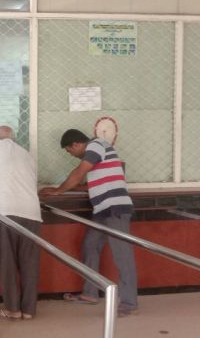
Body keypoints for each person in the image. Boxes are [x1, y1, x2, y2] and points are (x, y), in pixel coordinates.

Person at [39, 129, 139, 317]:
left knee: (122, 256)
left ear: (76, 144)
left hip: (115, 209)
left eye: (69, 150)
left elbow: (79, 172)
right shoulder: (97, 152)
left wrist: (58, 191)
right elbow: (89, 184)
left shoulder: (96, 145)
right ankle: (90, 293)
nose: (71, 154)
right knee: (90, 246)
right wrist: (66, 188)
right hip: (102, 210)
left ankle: (129, 303)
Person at [0, 126, 42, 321]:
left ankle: (13, 309)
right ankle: (29, 310)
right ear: (13, 139)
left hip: (6, 212)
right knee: (30, 263)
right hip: (32, 212)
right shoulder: (26, 154)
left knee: (7, 261)